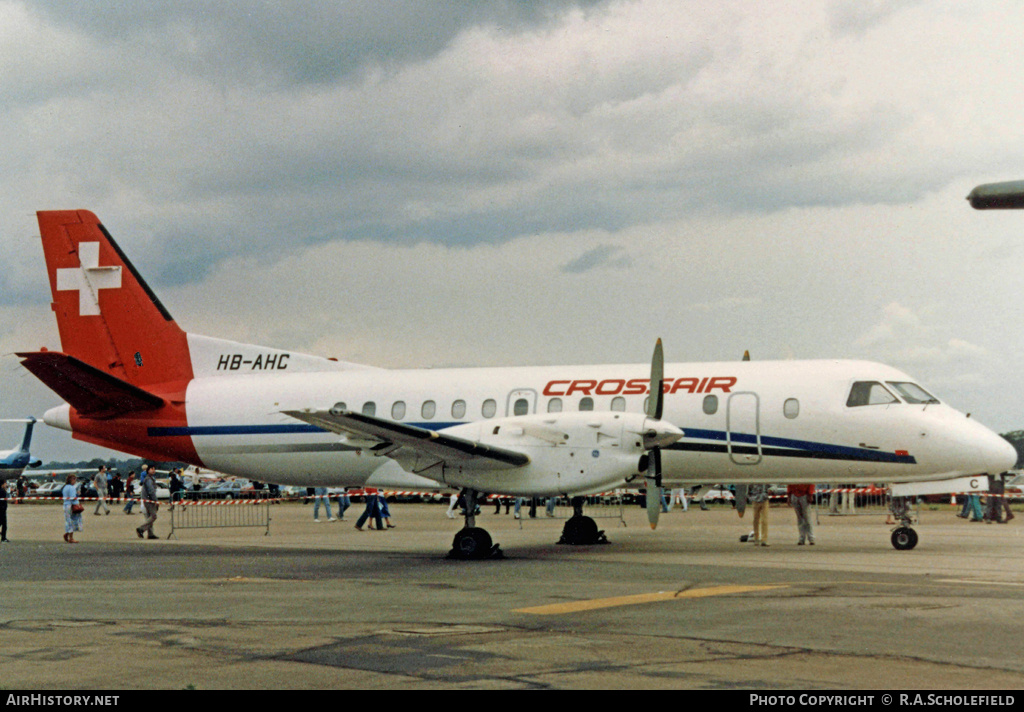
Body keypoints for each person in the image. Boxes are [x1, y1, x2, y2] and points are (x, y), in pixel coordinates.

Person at [136, 465, 159, 539]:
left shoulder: (150, 479)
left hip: (148, 500)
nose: (153, 470)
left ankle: (150, 534)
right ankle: (141, 529)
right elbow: (151, 491)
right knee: (153, 516)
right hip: (149, 500)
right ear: (148, 470)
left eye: (154, 468)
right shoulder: (149, 479)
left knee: (149, 516)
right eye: (152, 469)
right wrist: (155, 500)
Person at [62, 473, 83, 543]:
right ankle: (71, 537)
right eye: (75, 480)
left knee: (68, 521)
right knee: (73, 521)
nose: (75, 482)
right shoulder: (72, 488)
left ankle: (67, 534)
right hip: (72, 506)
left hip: (66, 505)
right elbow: (73, 498)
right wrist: (77, 494)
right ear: (72, 480)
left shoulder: (65, 487)